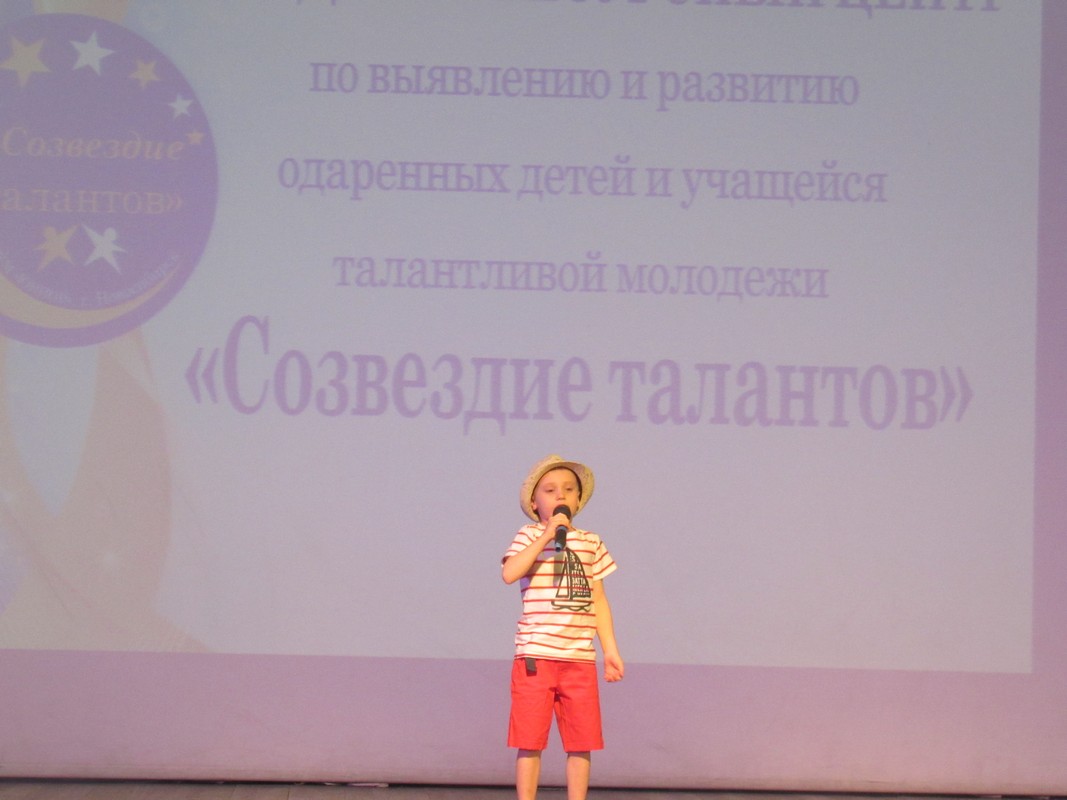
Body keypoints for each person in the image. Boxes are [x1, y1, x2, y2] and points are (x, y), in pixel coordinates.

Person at [501, 454, 624, 800]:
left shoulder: (591, 542)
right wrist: (546, 536)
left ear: (578, 500)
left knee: (581, 742)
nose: (561, 495)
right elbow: (509, 573)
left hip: (579, 658)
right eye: (550, 490)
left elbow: (598, 599)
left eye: (569, 490)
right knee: (529, 741)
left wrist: (610, 650)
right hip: (535, 656)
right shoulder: (527, 536)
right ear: (534, 502)